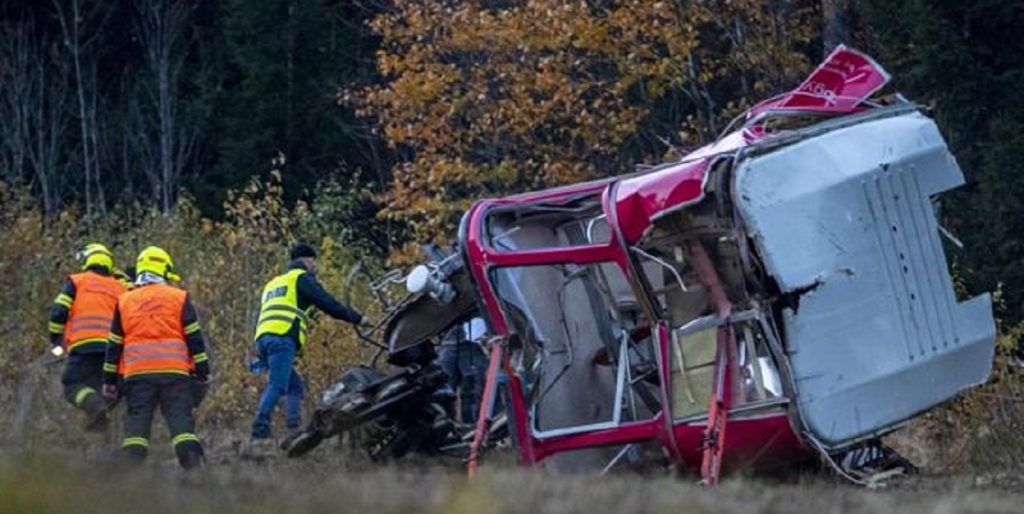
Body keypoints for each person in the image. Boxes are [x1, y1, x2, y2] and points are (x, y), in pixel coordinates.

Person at [101, 246, 211, 469]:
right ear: (164, 270)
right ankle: (194, 470)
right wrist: (203, 371)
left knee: (137, 428)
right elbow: (195, 339)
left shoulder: (124, 301)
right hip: (175, 374)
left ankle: (130, 474)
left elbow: (114, 345)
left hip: (137, 376)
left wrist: (109, 382)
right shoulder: (179, 297)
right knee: (181, 425)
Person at [250, 243, 364, 440]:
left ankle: (294, 428)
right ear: (305, 260)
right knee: (277, 385)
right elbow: (328, 303)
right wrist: (358, 318)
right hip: (281, 337)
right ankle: (259, 431)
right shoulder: (301, 279)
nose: (315, 266)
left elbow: (295, 311)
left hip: (263, 340)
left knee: (295, 387)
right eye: (313, 261)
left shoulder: (274, 283)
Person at [48, 243, 127, 431]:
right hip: (113, 350)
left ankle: (96, 409)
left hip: (84, 346)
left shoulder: (77, 281)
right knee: (109, 388)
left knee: (71, 384)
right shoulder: (121, 289)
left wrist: (55, 339)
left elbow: (59, 311)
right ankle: (99, 420)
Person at [438, 316, 489, 424]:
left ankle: (476, 421)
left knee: (477, 386)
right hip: (448, 347)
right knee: (445, 392)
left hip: (469, 344)